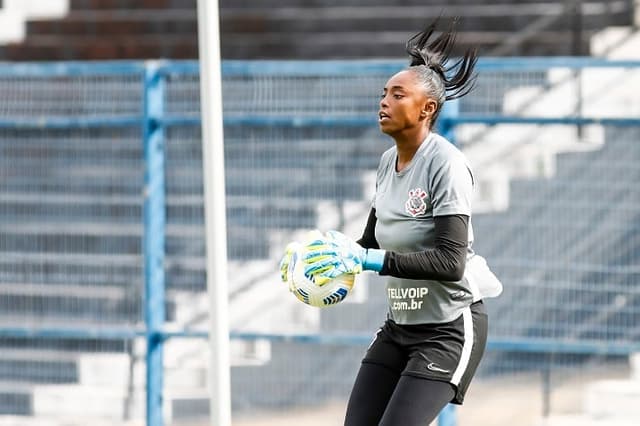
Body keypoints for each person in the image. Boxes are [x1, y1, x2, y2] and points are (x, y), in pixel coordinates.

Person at [281, 17, 502, 426]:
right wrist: (319, 257)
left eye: (398, 95)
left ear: (427, 108)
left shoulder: (447, 164)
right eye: (383, 93)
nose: (384, 101)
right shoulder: (387, 163)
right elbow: (368, 244)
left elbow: (450, 263)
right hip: (400, 326)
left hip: (448, 329)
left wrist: (366, 261)